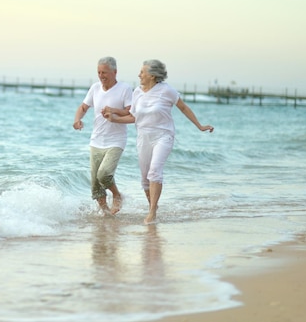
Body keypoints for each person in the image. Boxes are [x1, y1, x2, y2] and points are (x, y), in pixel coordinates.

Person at [104, 59, 214, 224]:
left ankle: (153, 212)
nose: (139, 75)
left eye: (142, 72)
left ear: (153, 75)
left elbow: (183, 108)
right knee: (144, 179)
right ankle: (152, 207)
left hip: (163, 136)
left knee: (154, 171)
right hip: (143, 137)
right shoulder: (137, 93)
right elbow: (133, 117)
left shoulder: (166, 90)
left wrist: (200, 126)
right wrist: (113, 119)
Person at [73, 57, 133, 214]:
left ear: (115, 72)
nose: (101, 76)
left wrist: (113, 110)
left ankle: (117, 195)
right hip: (96, 140)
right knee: (96, 184)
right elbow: (83, 107)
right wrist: (78, 119)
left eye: (104, 72)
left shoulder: (124, 88)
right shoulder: (95, 88)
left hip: (116, 140)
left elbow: (130, 111)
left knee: (104, 174)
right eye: (99, 72)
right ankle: (106, 215)